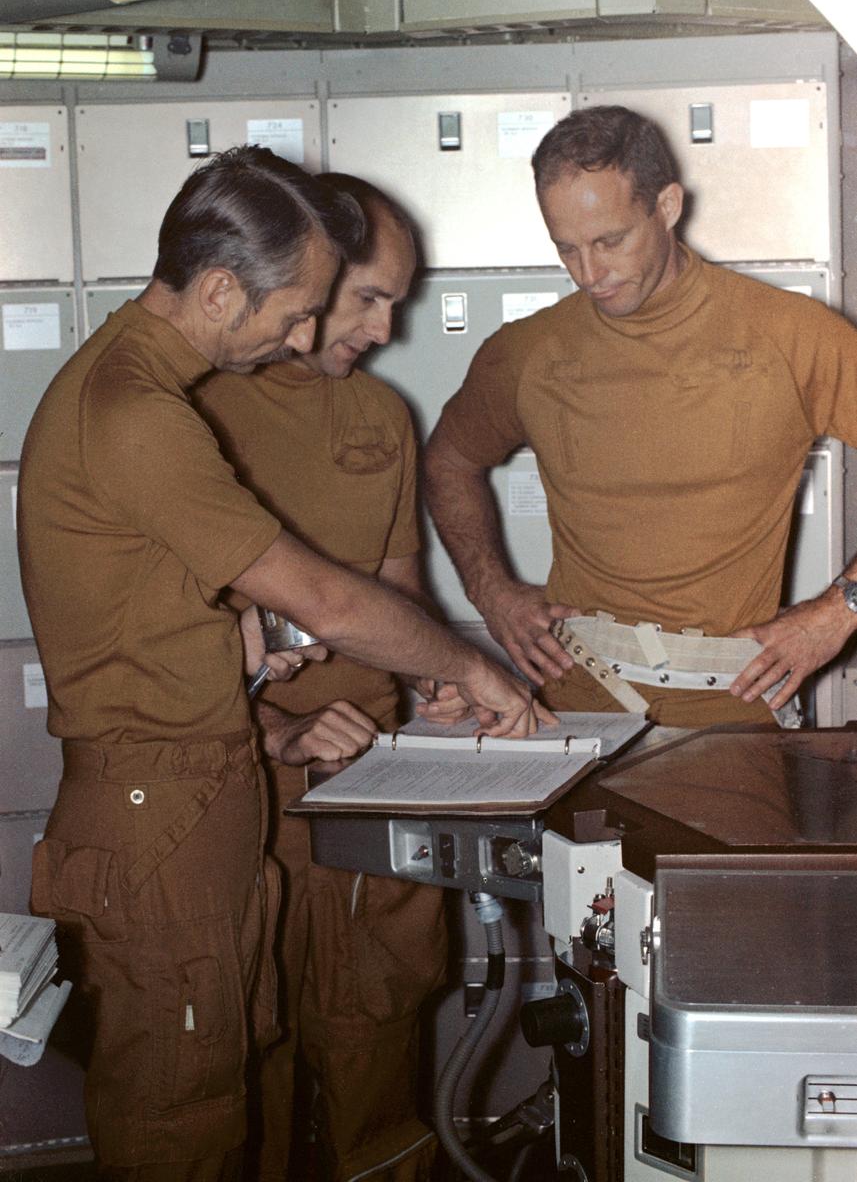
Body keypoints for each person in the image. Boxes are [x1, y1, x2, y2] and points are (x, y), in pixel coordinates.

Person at [16, 146, 548, 1181]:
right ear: (220, 289)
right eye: (296, 309)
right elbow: (325, 593)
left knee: (215, 1088)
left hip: (191, 798)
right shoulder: (138, 413)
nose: (304, 336)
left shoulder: (135, 389)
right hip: (155, 805)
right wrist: (478, 670)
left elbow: (222, 619)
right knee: (184, 1120)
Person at [424, 104, 857, 728]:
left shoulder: (789, 336)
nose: (589, 273)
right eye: (566, 249)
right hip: (571, 717)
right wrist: (490, 591)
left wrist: (838, 611)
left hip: (733, 724)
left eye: (611, 241)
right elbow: (449, 460)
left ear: (668, 206)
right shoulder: (527, 353)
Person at [194, 173, 458, 1182]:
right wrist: (272, 735)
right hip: (245, 785)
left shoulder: (382, 417)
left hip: (373, 791)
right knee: (243, 1058)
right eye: (368, 298)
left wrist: (440, 687)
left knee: (376, 1046)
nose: (385, 328)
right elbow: (164, 641)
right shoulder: (194, 414)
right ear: (307, 280)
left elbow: (398, 591)